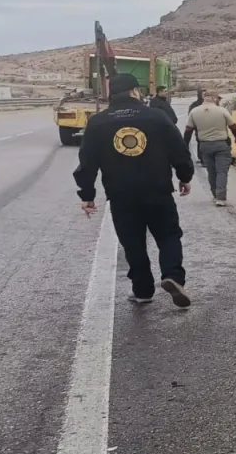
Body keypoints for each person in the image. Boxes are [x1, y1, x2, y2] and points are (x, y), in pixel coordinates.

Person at [73, 72, 194, 308]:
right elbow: (179, 150)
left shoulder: (98, 123)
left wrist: (87, 195)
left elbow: (87, 163)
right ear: (135, 91)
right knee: (169, 235)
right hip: (157, 190)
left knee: (133, 242)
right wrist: (184, 176)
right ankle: (172, 276)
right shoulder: (156, 117)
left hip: (121, 195)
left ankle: (142, 290)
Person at [183, 91, 236, 206]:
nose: (219, 101)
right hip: (221, 145)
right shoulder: (222, 111)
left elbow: (188, 131)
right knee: (221, 172)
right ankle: (221, 198)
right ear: (214, 99)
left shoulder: (194, 112)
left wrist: (185, 146)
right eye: (218, 99)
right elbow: (233, 126)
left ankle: (215, 195)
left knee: (211, 171)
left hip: (204, 146)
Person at [187, 89, 206, 165]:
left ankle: (203, 158)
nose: (205, 96)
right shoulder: (194, 104)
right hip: (198, 126)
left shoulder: (211, 104)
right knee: (200, 141)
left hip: (209, 126)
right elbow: (191, 115)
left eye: (206, 94)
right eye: (203, 94)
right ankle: (202, 159)